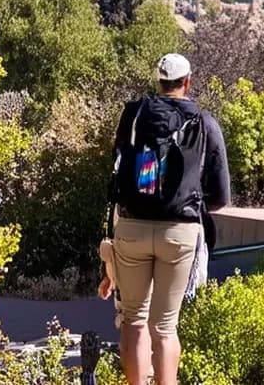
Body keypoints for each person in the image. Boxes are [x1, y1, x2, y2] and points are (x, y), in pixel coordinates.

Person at [106, 53, 231, 385]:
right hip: (180, 231)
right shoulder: (205, 122)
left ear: (158, 82)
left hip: (131, 226)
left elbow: (118, 169)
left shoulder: (133, 115)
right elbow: (220, 196)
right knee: (164, 326)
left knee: (133, 319)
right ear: (187, 82)